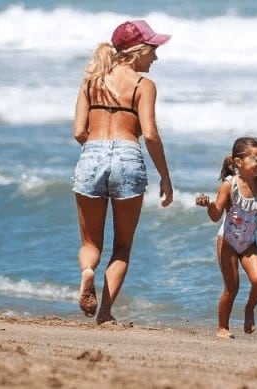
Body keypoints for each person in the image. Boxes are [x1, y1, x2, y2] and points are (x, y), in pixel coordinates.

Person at [72, 20, 174, 325]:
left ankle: (87, 272)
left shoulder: (91, 79)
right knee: (122, 247)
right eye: (152, 50)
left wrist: (97, 147)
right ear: (137, 51)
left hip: (92, 152)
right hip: (128, 157)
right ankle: (104, 313)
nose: (155, 57)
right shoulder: (144, 86)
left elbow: (79, 131)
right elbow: (152, 135)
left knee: (91, 245)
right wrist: (165, 177)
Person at [195, 137, 257, 339]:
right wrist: (208, 205)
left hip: (249, 242)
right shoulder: (229, 185)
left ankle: (249, 309)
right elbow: (216, 216)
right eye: (255, 159)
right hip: (228, 242)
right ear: (239, 162)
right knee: (231, 289)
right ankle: (222, 327)